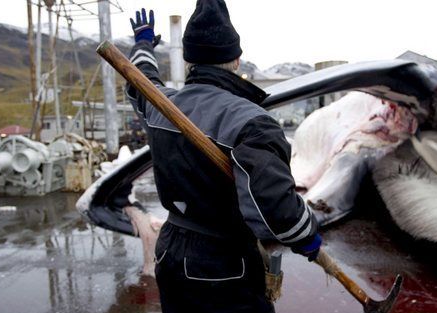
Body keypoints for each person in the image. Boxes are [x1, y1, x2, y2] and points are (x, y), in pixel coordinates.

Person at [126, 1, 322, 312]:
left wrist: (143, 43)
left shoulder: (162, 105)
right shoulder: (252, 121)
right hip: (222, 262)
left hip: (170, 250)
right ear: (236, 59)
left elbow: (140, 81)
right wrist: (306, 235)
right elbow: (275, 208)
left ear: (190, 59)